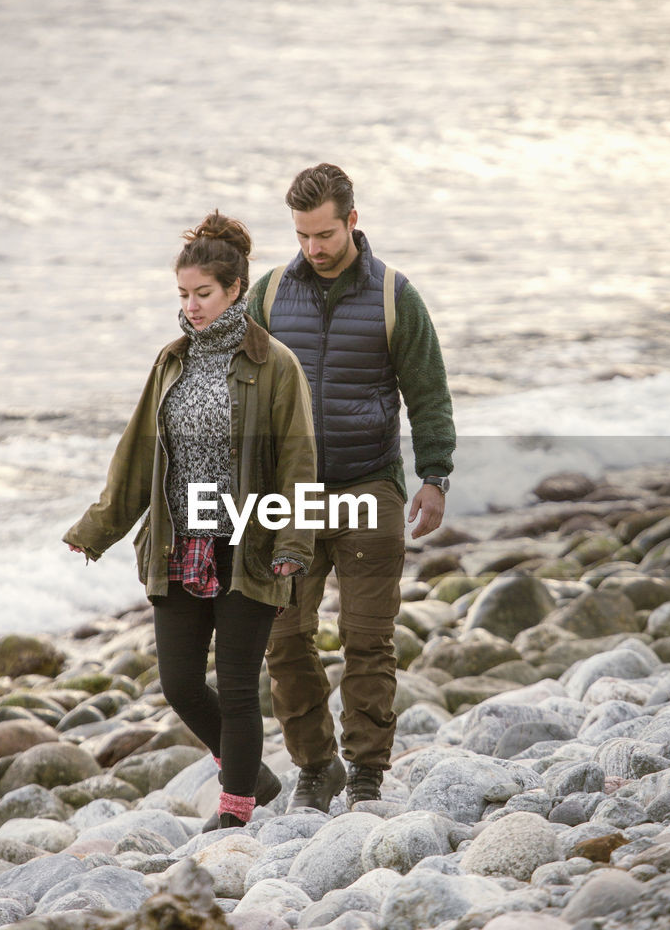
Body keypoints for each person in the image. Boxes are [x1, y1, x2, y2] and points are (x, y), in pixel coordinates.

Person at [64, 213, 316, 829]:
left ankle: (234, 812)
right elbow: (135, 452)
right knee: (178, 682)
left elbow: (298, 460)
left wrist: (293, 544)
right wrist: (98, 527)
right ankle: (251, 775)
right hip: (180, 541)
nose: (192, 306)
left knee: (235, 687)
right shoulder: (170, 361)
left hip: (248, 544)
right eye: (183, 294)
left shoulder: (274, 364)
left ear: (234, 290)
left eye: (203, 293)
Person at [247, 164, 456, 812]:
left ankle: (365, 771)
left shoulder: (395, 295)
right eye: (303, 235)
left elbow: (427, 392)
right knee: (283, 641)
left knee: (367, 639)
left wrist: (434, 476)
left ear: (352, 222)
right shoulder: (271, 292)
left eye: (325, 234)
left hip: (370, 487)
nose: (314, 247)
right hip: (289, 500)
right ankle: (316, 767)